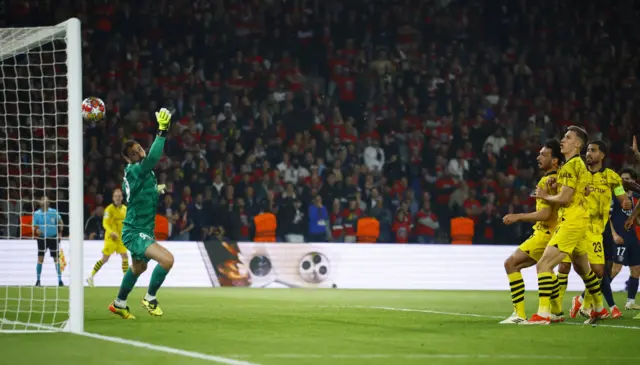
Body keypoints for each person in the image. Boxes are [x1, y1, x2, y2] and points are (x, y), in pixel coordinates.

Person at [527, 126, 606, 324]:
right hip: (580, 222)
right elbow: (585, 190)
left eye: (567, 137)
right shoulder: (576, 165)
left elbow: (565, 197)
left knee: (544, 264)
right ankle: (599, 308)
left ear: (577, 144)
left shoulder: (572, 166)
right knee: (583, 271)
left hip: (571, 222)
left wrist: (546, 195)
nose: (563, 140)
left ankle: (544, 313)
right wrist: (558, 188)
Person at [109, 108, 175, 319]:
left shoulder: (137, 173)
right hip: (136, 231)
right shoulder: (137, 169)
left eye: (139, 149)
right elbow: (154, 157)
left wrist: (155, 190)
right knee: (167, 260)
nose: (140, 152)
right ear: (129, 159)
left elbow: (136, 194)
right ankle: (150, 298)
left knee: (138, 268)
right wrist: (162, 131)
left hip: (140, 228)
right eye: (134, 153)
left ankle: (119, 303)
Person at [560, 141, 630, 319]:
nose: (589, 153)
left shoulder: (611, 177)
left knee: (599, 271)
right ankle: (554, 309)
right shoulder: (579, 172)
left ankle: (584, 303)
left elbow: (621, 194)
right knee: (564, 266)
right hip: (574, 226)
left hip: (596, 231)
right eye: (587, 150)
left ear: (602, 155)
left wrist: (625, 201)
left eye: (593, 150)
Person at [500, 139, 562, 324]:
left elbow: (545, 213)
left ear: (555, 160)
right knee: (549, 269)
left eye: (544, 154)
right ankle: (557, 311)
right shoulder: (563, 179)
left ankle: (519, 314)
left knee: (511, 264)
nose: (538, 157)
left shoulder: (546, 181)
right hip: (558, 232)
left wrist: (518, 216)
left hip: (545, 233)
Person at [608, 169, 640, 317]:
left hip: (633, 238)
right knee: (614, 270)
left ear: (633, 181)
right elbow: (607, 217)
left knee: (636, 269)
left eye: (627, 179)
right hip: (620, 238)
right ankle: (587, 298)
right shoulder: (614, 196)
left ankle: (630, 301)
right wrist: (614, 234)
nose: (623, 181)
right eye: (622, 179)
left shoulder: (636, 198)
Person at [86, 189, 129, 287]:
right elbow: (105, 223)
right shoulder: (108, 209)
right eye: (116, 196)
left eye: (119, 196)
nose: (118, 198)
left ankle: (126, 280)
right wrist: (111, 232)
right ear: (113, 198)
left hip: (121, 237)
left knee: (125, 256)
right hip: (111, 238)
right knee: (105, 258)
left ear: (122, 198)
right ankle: (90, 276)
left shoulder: (125, 209)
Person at [32, 196, 64, 287]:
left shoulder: (53, 212)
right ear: (40, 202)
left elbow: (60, 221)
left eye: (46, 200)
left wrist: (60, 231)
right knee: (40, 259)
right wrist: (36, 230)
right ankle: (38, 280)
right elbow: (34, 226)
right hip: (42, 238)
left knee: (56, 259)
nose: (45, 201)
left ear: (49, 202)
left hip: (53, 238)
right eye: (43, 200)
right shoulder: (37, 214)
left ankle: (60, 280)